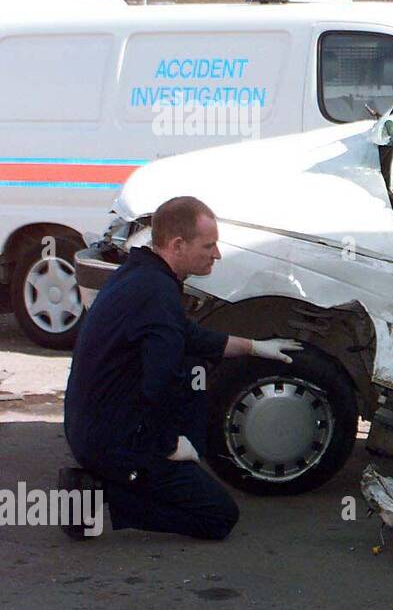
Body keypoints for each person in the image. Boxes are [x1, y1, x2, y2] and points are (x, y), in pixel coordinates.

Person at [60, 196, 301, 540]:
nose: (216, 254)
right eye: (209, 245)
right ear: (177, 245)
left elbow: (190, 336)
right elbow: (159, 385)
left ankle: (119, 483)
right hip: (115, 443)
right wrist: (169, 445)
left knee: (190, 363)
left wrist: (254, 346)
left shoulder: (140, 273)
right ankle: (98, 498)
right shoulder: (157, 294)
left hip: (90, 427)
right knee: (218, 516)